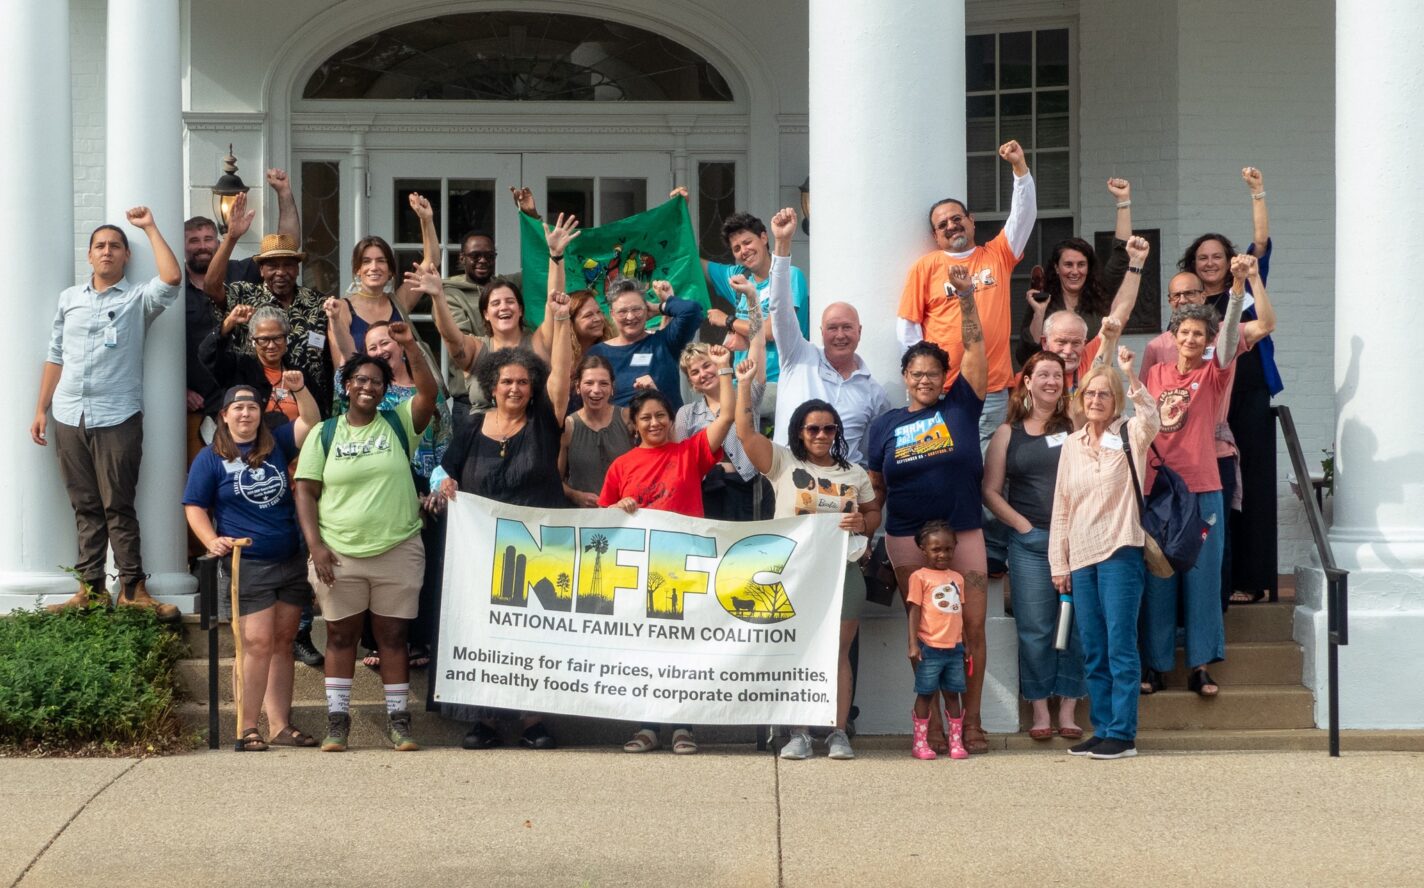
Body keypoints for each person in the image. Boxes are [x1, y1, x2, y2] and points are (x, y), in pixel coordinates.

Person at [436, 291, 574, 750]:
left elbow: (563, 376)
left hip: (541, 551)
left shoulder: (545, 421)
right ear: (491, 385)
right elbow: (446, 468)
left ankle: (534, 719)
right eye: (506, 382)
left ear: (532, 387)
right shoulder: (472, 426)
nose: (514, 389)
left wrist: (561, 319)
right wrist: (445, 484)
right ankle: (487, 719)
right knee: (487, 631)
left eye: (522, 382)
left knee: (534, 636)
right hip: (484, 552)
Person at [293, 322, 436, 752]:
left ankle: (400, 723)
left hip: (398, 549)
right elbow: (305, 489)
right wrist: (315, 545)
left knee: (393, 638)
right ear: (346, 385)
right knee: (340, 637)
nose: (368, 388)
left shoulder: (399, 424)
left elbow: (428, 394)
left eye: (376, 381)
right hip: (339, 554)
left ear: (386, 388)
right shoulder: (325, 433)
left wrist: (410, 345)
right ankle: (337, 723)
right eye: (360, 380)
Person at [32, 207, 182, 619]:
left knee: (119, 504)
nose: (107, 251)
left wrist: (149, 226)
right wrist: (41, 408)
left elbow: (171, 278)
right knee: (84, 505)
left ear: (125, 257)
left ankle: (133, 588)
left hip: (117, 415)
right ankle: (90, 588)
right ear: (90, 255)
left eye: (115, 246)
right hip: (68, 414)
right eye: (100, 245)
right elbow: (54, 355)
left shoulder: (137, 299)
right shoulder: (70, 299)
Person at [868, 265, 990, 754]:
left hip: (963, 534)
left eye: (932, 374)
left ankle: (972, 722)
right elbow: (876, 488)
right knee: (925, 633)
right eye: (916, 373)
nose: (924, 380)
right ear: (904, 377)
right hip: (904, 538)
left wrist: (965, 299)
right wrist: (863, 526)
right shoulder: (885, 426)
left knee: (971, 630)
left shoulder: (961, 406)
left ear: (945, 379)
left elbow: (977, 351)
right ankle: (934, 726)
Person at [734, 361, 879, 760]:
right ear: (799, 431)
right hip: (793, 573)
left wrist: (862, 521)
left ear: (837, 433)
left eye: (828, 428)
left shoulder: (855, 473)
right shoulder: (783, 463)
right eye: (812, 428)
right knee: (796, 649)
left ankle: (836, 732)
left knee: (837, 653)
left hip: (842, 572)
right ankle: (797, 732)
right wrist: (744, 384)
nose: (820, 435)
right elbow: (744, 433)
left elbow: (872, 516)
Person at [1140, 256, 1267, 698]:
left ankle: (1199, 667)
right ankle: (1155, 667)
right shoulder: (1155, 372)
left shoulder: (1216, 372)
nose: (1190, 339)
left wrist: (1236, 288)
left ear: (1208, 340)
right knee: (1159, 578)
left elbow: (1232, 332)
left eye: (1199, 333)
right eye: (1184, 332)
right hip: (1159, 490)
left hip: (1203, 488)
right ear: (1172, 338)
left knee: (1202, 579)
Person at [601, 345, 736, 755]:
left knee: (683, 648)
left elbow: (727, 416)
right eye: (647, 418)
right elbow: (602, 524)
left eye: (661, 415)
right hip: (640, 574)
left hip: (685, 569)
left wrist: (727, 369)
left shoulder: (690, 452)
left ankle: (683, 727)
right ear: (634, 425)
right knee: (646, 649)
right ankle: (647, 727)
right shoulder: (620, 467)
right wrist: (619, 509)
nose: (655, 422)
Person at [182, 380, 322, 750]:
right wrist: (210, 539)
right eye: (237, 408)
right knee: (256, 643)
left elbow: (310, 420)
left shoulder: (277, 443)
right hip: (248, 563)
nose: (245, 414)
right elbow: (194, 504)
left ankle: (280, 725)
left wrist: (300, 390)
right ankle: (247, 726)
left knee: (282, 642)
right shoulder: (210, 458)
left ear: (261, 415)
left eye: (252, 408)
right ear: (224, 416)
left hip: (288, 559)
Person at [1049, 347, 1160, 760]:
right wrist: (1058, 563)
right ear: (1080, 400)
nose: (1096, 401)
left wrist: (1130, 375)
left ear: (1115, 401)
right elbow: (1061, 505)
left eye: (1104, 395)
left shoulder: (1130, 434)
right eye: (1090, 394)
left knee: (1120, 644)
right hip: (1080, 556)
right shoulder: (1072, 445)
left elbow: (1153, 417)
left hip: (1119, 550)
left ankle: (1123, 733)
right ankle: (1103, 727)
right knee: (1092, 647)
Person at [1177, 167, 1280, 605]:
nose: (1210, 263)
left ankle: (1252, 580)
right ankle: (1219, 578)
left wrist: (1257, 191)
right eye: (1202, 258)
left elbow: (1260, 241)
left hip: (1249, 393)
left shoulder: (1247, 289)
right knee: (1216, 487)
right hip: (1210, 403)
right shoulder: (1189, 306)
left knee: (1252, 485)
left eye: (1217, 256)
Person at [898, 140, 1036, 447]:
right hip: (943, 389)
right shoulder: (925, 267)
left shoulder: (998, 254)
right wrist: (923, 378)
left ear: (971, 221)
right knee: (943, 463)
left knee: (989, 471)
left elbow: (1023, 217)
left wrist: (1019, 169)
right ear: (935, 236)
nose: (951, 225)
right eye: (942, 224)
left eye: (957, 218)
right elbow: (908, 329)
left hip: (993, 389)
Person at [982, 351, 1085, 740]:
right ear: (1026, 381)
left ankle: (1070, 706)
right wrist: (1023, 527)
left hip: (1077, 540)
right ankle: (1041, 707)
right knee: (1036, 626)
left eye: (1057, 375)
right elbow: (990, 492)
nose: (1050, 381)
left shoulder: (1075, 424)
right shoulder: (1008, 433)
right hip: (1030, 543)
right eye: (1042, 374)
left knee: (1075, 623)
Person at [764, 208, 889, 465]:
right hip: (791, 480)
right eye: (832, 328)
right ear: (821, 332)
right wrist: (782, 242)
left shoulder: (874, 393)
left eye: (847, 327)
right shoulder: (798, 356)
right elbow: (779, 306)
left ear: (859, 332)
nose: (840, 335)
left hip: (844, 489)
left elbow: (868, 455)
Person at [183, 169, 299, 427]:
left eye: (208, 239)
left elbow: (286, 247)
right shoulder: (174, 289)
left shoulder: (240, 272)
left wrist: (284, 193)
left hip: (245, 399)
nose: (202, 246)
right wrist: (178, 390)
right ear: (182, 245)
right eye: (193, 240)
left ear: (217, 241)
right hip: (197, 403)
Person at [203, 201, 333, 415]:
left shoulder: (317, 303)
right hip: (255, 409)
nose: (281, 272)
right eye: (273, 265)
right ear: (261, 270)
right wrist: (231, 237)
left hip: (308, 410)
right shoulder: (243, 295)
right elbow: (210, 286)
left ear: (297, 269)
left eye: (288, 265)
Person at [441, 186, 543, 428]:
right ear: (462, 259)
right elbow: (461, 342)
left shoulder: (508, 285)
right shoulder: (450, 293)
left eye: (489, 255)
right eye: (475, 256)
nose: (483, 260)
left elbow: (542, 266)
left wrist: (532, 217)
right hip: (473, 401)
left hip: (520, 398)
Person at [700, 207, 811, 415]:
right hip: (744, 382)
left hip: (780, 384)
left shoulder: (790, 276)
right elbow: (693, 264)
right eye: (736, 248)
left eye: (747, 242)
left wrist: (729, 321)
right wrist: (681, 209)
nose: (743, 251)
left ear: (763, 237)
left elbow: (771, 331)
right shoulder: (738, 276)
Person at [675, 278, 769, 521]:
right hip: (707, 492)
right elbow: (682, 463)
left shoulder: (746, 389)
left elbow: (757, 341)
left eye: (706, 365)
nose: (703, 374)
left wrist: (751, 298)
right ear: (692, 384)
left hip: (748, 488)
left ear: (719, 363)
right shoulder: (686, 414)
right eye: (694, 373)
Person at [1016, 178, 1135, 364]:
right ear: (1056, 268)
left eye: (1081, 264)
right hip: (1053, 384)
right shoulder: (1043, 300)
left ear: (1089, 267)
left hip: (1095, 383)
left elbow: (1122, 255)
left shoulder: (1100, 293)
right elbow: (1025, 354)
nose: (1075, 271)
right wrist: (1039, 313)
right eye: (1068, 264)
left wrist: (1123, 202)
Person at [323, 192, 438, 362]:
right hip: (362, 387)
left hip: (402, 386)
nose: (374, 267)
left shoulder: (399, 302)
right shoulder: (342, 308)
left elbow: (432, 261)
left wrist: (426, 220)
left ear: (391, 270)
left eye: (381, 261)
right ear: (357, 270)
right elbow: (340, 367)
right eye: (366, 261)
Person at [585, 277, 703, 411]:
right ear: (612, 314)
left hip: (668, 428)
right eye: (622, 312)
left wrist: (660, 307)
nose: (630, 317)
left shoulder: (665, 342)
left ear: (646, 308)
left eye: (636, 309)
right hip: (618, 430)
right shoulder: (598, 353)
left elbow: (692, 311)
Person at [905, 521, 970, 760]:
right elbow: (914, 611)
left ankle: (956, 742)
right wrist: (913, 643)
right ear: (924, 549)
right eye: (936, 549)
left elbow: (958, 612)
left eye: (948, 549)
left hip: (954, 648)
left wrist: (966, 643)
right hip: (929, 647)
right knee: (925, 694)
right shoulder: (919, 577)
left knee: (953, 694)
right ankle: (920, 742)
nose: (943, 554)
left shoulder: (957, 578)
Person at [200, 306, 305, 428]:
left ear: (286, 340)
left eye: (277, 338)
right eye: (263, 339)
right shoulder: (238, 367)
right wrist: (229, 322)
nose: (271, 345)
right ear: (253, 341)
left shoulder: (299, 376)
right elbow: (206, 354)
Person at [559, 355, 632, 507]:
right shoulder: (568, 426)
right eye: (589, 383)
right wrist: (575, 495)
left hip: (626, 515)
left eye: (603, 383)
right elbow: (554, 479)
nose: (596, 390)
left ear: (612, 387)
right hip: (583, 519)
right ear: (578, 387)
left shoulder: (628, 418)